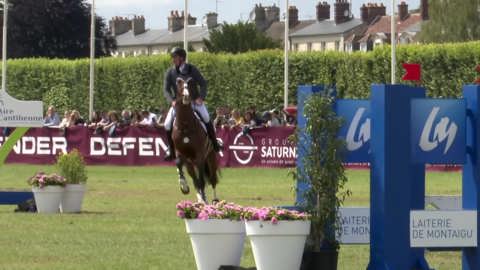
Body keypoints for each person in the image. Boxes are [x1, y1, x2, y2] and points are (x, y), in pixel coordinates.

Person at [163, 47, 221, 161]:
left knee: (206, 117)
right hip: (178, 104)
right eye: (173, 58)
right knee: (167, 124)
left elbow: (203, 84)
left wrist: (201, 98)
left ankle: (215, 144)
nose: (173, 60)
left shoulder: (192, 69)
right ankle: (170, 149)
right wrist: (172, 100)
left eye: (175, 57)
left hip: (194, 101)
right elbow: (166, 90)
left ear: (182, 58)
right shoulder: (170, 72)